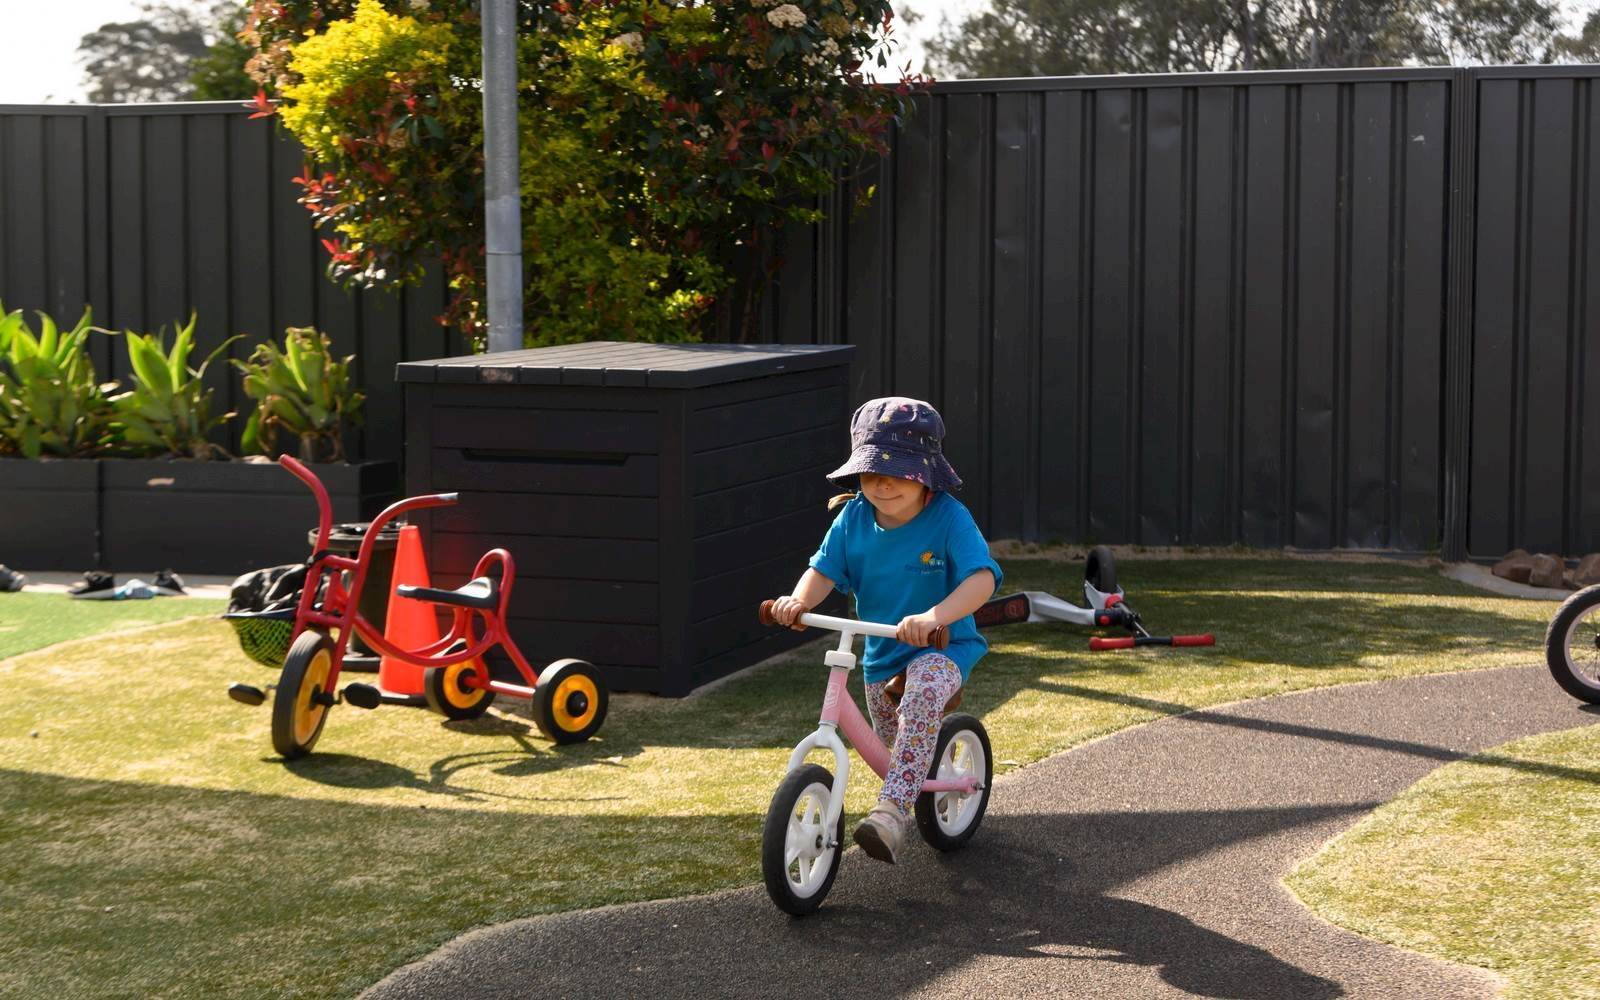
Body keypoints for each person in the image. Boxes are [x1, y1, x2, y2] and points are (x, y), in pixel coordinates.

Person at [770, 397, 1002, 864]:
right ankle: (902, 787)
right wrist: (798, 601)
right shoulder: (853, 517)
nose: (883, 483)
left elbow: (982, 578)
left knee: (920, 696)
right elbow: (823, 570)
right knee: (896, 750)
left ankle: (894, 812)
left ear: (928, 474)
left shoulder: (948, 518)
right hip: (881, 654)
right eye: (872, 470)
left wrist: (935, 617)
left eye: (899, 471)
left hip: (944, 646)